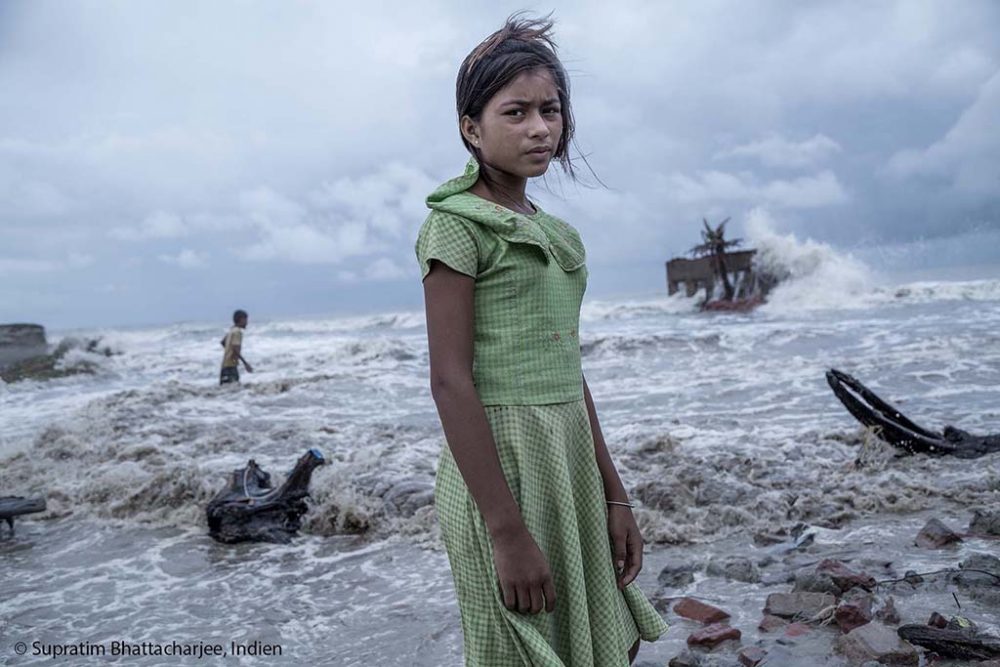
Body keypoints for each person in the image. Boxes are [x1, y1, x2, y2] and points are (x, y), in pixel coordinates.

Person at [415, 15, 668, 666]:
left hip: (569, 464)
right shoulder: (457, 230)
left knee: (602, 635)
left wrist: (615, 494)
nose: (539, 128)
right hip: (503, 470)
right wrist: (505, 531)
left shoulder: (560, 237)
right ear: (472, 128)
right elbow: (450, 380)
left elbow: (568, 369)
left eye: (550, 110)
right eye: (516, 111)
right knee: (519, 647)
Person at [220, 309, 253, 384]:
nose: (247, 323)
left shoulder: (231, 330)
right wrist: (245, 364)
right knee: (234, 387)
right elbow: (235, 348)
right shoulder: (237, 332)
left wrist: (228, 352)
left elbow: (223, 342)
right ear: (241, 320)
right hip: (231, 366)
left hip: (225, 365)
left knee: (226, 390)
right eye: (246, 320)